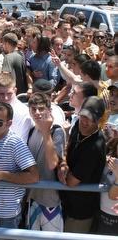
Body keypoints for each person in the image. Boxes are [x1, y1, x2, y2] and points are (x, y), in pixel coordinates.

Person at [0, 102, 39, 235]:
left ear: (9, 123)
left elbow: (34, 176)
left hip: (6, 217)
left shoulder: (15, 143)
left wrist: (1, 175)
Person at [58, 96, 106, 233]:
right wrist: (63, 163)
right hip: (66, 204)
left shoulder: (94, 147)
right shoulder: (78, 127)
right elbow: (67, 149)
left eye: (90, 118)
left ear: (100, 120)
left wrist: (59, 168)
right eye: (83, 116)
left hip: (80, 213)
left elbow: (72, 182)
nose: (84, 122)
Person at [26, 93, 66, 232]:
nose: (37, 112)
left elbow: (52, 164)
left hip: (51, 200)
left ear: (50, 110)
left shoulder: (57, 132)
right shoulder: (30, 132)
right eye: (33, 109)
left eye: (41, 108)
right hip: (32, 199)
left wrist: (45, 130)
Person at [0, 73, 34, 143]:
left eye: (9, 94)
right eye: (1, 94)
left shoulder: (22, 112)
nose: (5, 98)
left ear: (15, 91)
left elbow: (17, 144)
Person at [98, 137, 118, 235]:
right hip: (102, 210)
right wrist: (103, 162)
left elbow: (112, 196)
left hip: (114, 214)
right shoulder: (110, 153)